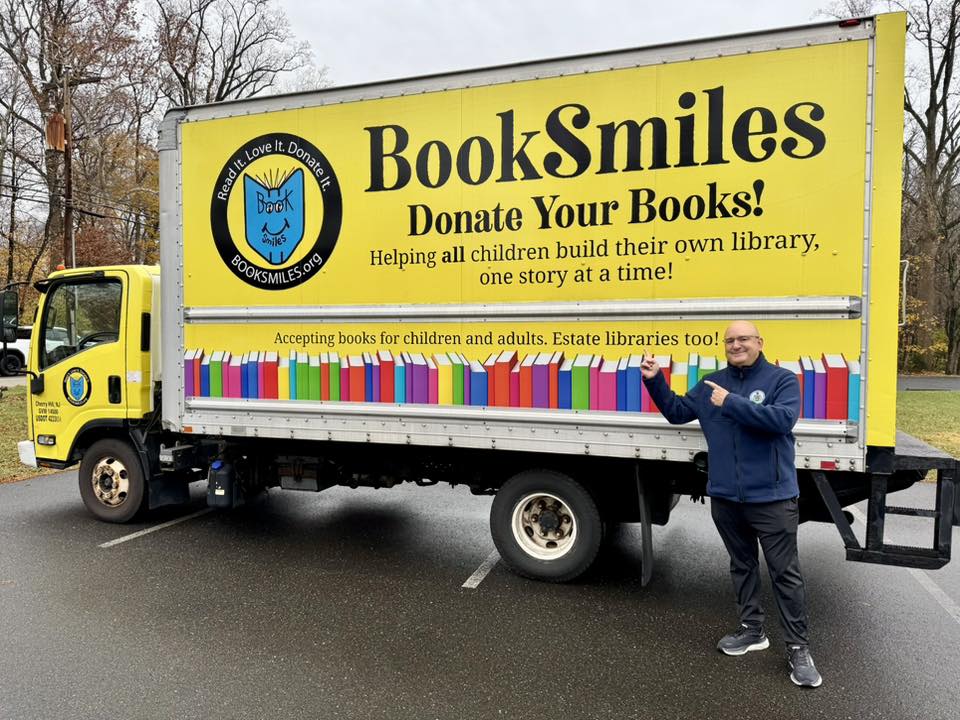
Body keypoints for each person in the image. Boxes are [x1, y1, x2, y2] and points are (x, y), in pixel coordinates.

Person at [640, 321, 822, 689]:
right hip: (725, 497)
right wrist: (655, 380)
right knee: (741, 566)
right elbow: (677, 412)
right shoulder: (711, 382)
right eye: (730, 340)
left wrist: (731, 403)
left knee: (785, 574)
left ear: (759, 343)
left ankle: (799, 648)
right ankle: (752, 630)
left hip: (773, 498)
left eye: (743, 339)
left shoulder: (781, 380)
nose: (736, 345)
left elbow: (782, 421)